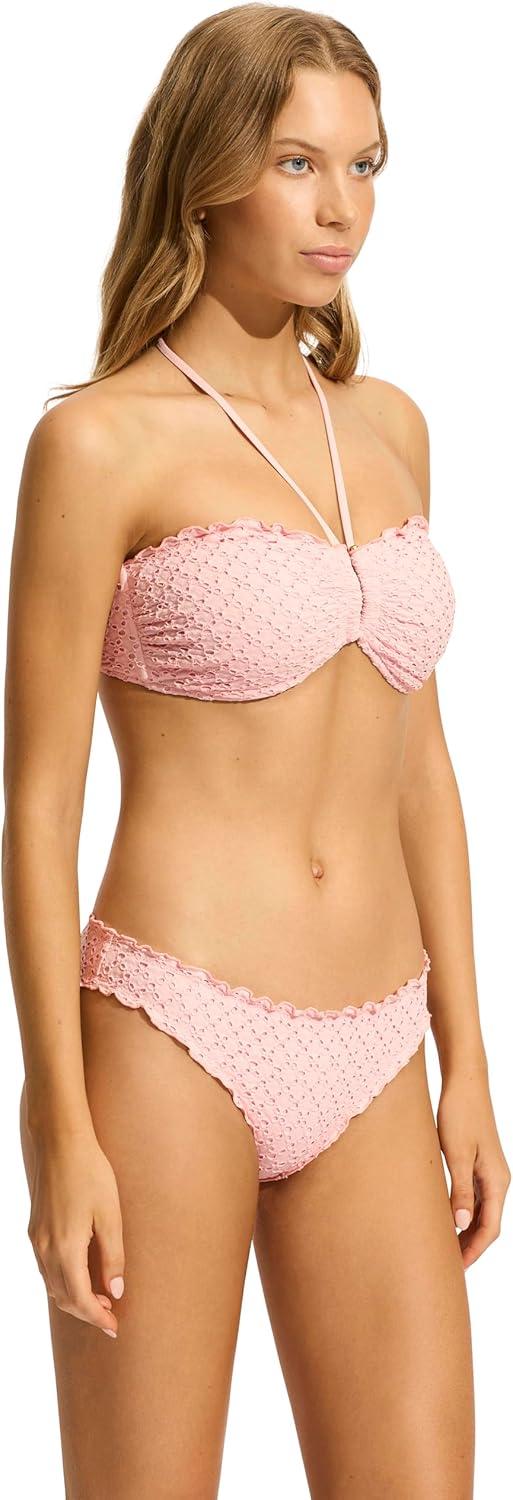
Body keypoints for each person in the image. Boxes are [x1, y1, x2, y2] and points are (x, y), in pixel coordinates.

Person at [3, 6, 510, 1497]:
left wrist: (467, 1064)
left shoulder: (392, 430)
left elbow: (421, 770)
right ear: (207, 172)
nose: (341, 206)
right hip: (173, 1028)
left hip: (377, 1042)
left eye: (365, 164)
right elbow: (36, 804)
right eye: (297, 162)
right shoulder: (100, 443)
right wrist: (57, 1122)